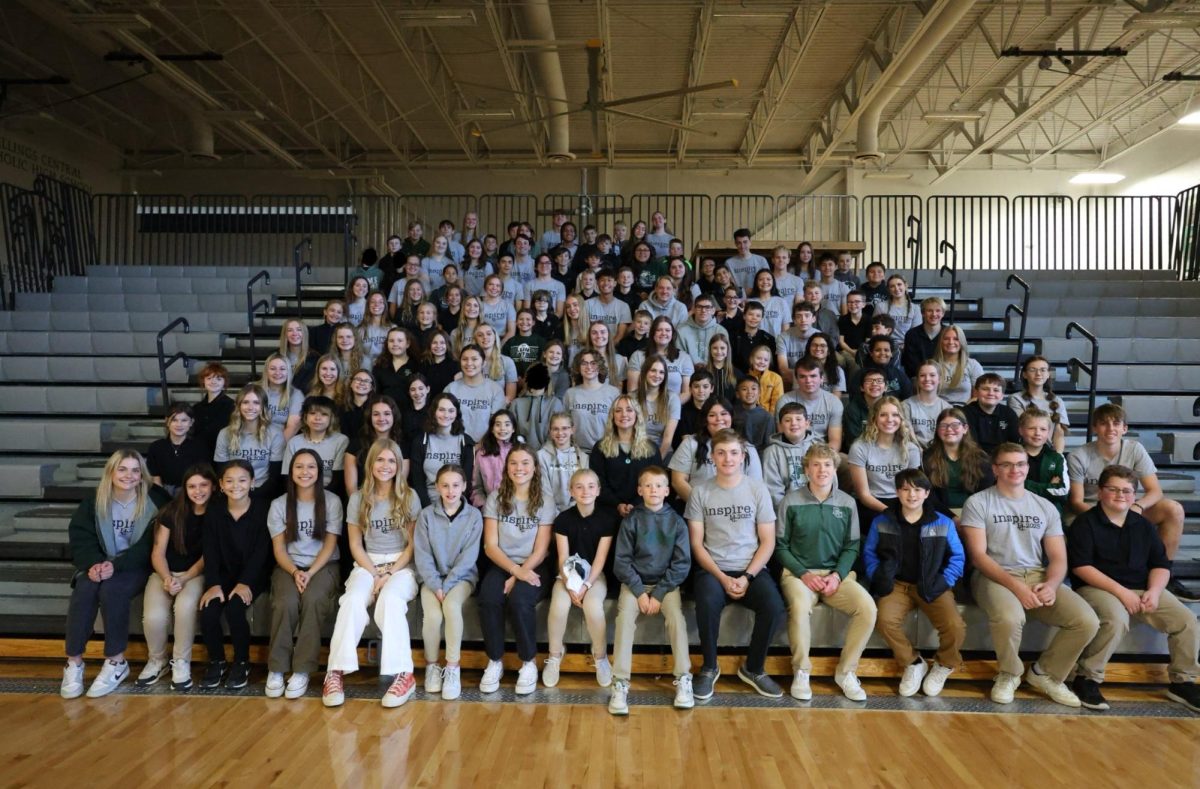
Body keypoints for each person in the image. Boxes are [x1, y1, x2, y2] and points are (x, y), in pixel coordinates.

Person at [962, 443, 1100, 707]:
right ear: (995, 469)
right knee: (1009, 618)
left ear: (1027, 468)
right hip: (995, 576)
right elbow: (979, 557)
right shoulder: (978, 502)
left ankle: (1045, 674)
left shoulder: (1044, 506)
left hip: (1038, 575)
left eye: (1021, 464)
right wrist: (1017, 588)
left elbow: (1059, 557)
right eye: (1007, 464)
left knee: (1086, 620)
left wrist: (1051, 584)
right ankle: (1009, 674)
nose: (1015, 469)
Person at [1068, 464, 1200, 712]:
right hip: (1097, 588)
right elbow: (1081, 567)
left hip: (1141, 588)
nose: (1120, 496)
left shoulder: (1142, 525)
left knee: (1186, 620)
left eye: (1127, 491)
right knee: (1116, 619)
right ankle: (1087, 678)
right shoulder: (1084, 524)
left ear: (1135, 496)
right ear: (1100, 491)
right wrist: (1122, 593)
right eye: (1113, 489)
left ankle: (1183, 682)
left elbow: (1160, 564)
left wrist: (1154, 591)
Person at [60, 451, 170, 700]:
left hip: (136, 565)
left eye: (134, 470)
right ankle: (73, 662)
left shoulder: (156, 500)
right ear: (111, 472)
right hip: (100, 563)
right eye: (122, 469)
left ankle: (116, 662)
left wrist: (117, 566)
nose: (128, 476)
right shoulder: (93, 502)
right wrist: (94, 564)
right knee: (85, 588)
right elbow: (81, 538)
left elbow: (150, 545)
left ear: (142, 475)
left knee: (113, 590)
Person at [324, 439, 423, 709]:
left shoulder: (410, 496)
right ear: (371, 464)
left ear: (399, 465)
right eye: (380, 460)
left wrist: (389, 573)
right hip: (368, 563)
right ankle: (335, 672)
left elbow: (414, 546)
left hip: (402, 565)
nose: (386, 466)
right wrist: (375, 572)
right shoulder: (358, 498)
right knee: (353, 600)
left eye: (392, 461)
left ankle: (404, 674)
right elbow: (355, 545)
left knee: (390, 601)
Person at [686, 429, 785, 699]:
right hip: (713, 568)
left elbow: (767, 541)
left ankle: (753, 668)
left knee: (775, 607)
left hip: (751, 568)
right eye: (721, 453)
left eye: (733, 453)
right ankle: (709, 668)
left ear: (743, 457)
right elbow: (696, 544)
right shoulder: (700, 492)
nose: (727, 458)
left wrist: (747, 577)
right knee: (706, 604)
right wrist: (721, 577)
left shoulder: (757, 489)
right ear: (712, 457)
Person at [776, 443, 875, 701]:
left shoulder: (847, 503)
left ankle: (846, 672)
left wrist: (837, 575)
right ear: (806, 470)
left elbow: (852, 546)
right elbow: (780, 546)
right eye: (816, 465)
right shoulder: (791, 501)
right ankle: (802, 671)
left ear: (834, 469)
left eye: (827, 465)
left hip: (835, 576)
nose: (822, 470)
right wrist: (803, 573)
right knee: (798, 607)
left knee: (868, 608)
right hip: (799, 575)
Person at [1067, 403, 1193, 601]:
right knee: (1075, 524)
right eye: (1103, 424)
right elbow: (1076, 501)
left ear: (1124, 428)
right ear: (1094, 428)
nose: (1110, 429)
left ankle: (1164, 573)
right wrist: (1105, 517)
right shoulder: (1079, 456)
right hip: (1092, 510)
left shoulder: (1135, 449)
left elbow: (1155, 491)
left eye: (1116, 424)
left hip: (1128, 506)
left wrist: (1136, 507)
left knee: (1173, 509)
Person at [863, 468, 965, 697]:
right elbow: (869, 554)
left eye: (918, 489)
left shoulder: (943, 522)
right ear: (897, 492)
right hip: (897, 585)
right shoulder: (882, 520)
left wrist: (944, 581)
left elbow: (958, 558)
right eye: (906, 489)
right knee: (884, 620)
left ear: (927, 493)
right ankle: (913, 663)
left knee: (955, 626)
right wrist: (878, 575)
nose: (912, 495)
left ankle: (944, 664)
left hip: (932, 584)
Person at [609, 465, 693, 714]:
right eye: (648, 485)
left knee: (676, 618)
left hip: (665, 585)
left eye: (658, 485)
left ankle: (683, 679)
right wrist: (640, 592)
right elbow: (621, 562)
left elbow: (681, 564)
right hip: (635, 584)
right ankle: (620, 683)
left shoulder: (676, 522)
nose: (653, 490)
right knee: (624, 620)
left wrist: (657, 594)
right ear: (639, 490)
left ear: (667, 490)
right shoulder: (632, 520)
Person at [478, 447, 558, 694]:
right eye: (514, 463)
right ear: (506, 468)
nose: (519, 468)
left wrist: (521, 573)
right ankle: (495, 661)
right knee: (489, 598)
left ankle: (528, 662)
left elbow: (542, 549)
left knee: (520, 600)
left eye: (525, 463)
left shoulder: (545, 499)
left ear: (535, 467)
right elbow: (490, 546)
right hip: (504, 563)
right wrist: (514, 571)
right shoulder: (495, 498)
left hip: (535, 565)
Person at [265, 450, 343, 700]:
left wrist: (310, 573)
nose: (305, 472)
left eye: (311, 467)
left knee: (313, 600)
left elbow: (330, 545)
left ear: (320, 472)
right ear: (291, 471)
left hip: (323, 566)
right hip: (289, 566)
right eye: (299, 467)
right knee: (285, 602)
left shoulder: (331, 501)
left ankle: (302, 670)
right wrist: (296, 571)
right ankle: (277, 668)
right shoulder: (279, 504)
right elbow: (278, 548)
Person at [137, 464, 216, 691]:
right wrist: (167, 578)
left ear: (213, 486)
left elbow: (207, 556)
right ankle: (157, 661)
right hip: (165, 572)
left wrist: (184, 579)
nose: (198, 491)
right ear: (185, 488)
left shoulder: (217, 514)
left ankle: (181, 662)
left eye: (203, 485)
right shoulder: (172, 512)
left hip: (195, 574)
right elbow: (157, 552)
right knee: (154, 617)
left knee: (185, 608)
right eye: (192, 486)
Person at [197, 461, 272, 690]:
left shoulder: (263, 509)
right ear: (220, 485)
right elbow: (209, 551)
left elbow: (262, 552)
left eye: (242, 480)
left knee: (235, 608)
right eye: (229, 480)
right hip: (223, 574)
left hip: (253, 575)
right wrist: (213, 584)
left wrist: (245, 583)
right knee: (209, 609)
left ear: (252, 482)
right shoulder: (214, 511)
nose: (235, 485)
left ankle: (242, 662)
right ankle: (217, 661)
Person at [412, 464, 483, 701]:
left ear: (464, 486)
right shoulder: (426, 516)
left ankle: (452, 668)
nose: (451, 491)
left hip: (462, 578)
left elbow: (469, 557)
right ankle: (432, 667)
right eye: (445, 485)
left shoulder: (473, 516)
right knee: (432, 615)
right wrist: (435, 584)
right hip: (432, 579)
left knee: (451, 607)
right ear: (437, 487)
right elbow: (422, 555)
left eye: (455, 485)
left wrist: (449, 584)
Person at [543, 470, 617, 689]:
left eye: (591, 486)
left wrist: (585, 586)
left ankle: (600, 656)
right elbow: (563, 558)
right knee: (558, 605)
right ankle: (555, 654)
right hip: (567, 574)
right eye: (579, 487)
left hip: (594, 575)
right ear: (571, 491)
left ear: (598, 490)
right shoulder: (563, 519)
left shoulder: (606, 519)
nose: (585, 491)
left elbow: (600, 559)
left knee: (593, 607)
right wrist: (570, 585)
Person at [848, 396, 923, 533]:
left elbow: (912, 487)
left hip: (903, 501)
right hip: (871, 504)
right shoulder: (859, 448)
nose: (890, 419)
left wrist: (904, 511)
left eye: (895, 415)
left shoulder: (911, 449)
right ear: (874, 418)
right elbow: (863, 495)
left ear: (901, 419)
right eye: (883, 415)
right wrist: (890, 513)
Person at [591, 395, 664, 517]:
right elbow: (597, 482)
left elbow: (657, 481)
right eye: (618, 410)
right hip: (607, 511)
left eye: (629, 410)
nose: (624, 414)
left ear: (637, 415)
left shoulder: (651, 448)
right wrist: (617, 504)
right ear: (612, 416)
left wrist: (636, 504)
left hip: (644, 510)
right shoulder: (600, 447)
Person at [213, 384, 285, 499]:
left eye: (256, 403)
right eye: (245, 402)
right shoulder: (225, 434)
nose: (250, 407)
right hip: (233, 491)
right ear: (238, 406)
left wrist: (254, 497)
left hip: (263, 493)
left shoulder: (275, 434)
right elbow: (221, 473)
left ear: (263, 407)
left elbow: (275, 478)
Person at [923, 407, 994, 519]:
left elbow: (986, 492)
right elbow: (929, 496)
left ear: (965, 428)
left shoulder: (981, 457)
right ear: (937, 430)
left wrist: (971, 517)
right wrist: (952, 518)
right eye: (943, 426)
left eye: (955, 425)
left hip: (975, 513)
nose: (949, 429)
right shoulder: (927, 457)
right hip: (940, 514)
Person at [410, 392, 476, 507]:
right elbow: (418, 482)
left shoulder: (465, 441)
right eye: (441, 410)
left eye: (451, 411)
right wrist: (427, 508)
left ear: (456, 414)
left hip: (456, 502)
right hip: (427, 502)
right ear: (434, 412)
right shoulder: (421, 441)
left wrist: (455, 507)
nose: (446, 415)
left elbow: (466, 481)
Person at [776, 358, 844, 451]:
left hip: (823, 453)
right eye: (803, 376)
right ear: (796, 379)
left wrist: (818, 458)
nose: (808, 381)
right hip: (793, 451)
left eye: (813, 376)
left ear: (821, 379)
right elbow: (784, 437)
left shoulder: (834, 402)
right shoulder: (784, 401)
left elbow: (835, 442)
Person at [444, 345, 509, 442]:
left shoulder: (495, 390)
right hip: (455, 445)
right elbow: (444, 422)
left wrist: (479, 447)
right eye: (465, 359)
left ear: (483, 363)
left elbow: (497, 424)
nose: (469, 363)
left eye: (474, 359)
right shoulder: (451, 389)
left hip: (487, 447)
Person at [763, 402, 822, 509]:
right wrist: (790, 513)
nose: (793, 423)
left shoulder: (819, 447)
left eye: (798, 419)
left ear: (807, 423)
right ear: (780, 426)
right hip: (788, 510)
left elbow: (829, 482)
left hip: (818, 507)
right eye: (787, 420)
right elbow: (773, 491)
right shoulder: (772, 452)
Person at [563, 349, 621, 453]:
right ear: (578, 368)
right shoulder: (570, 394)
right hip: (577, 452)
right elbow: (565, 426)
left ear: (599, 366)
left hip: (606, 450)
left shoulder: (613, 393)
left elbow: (618, 425)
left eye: (593, 363)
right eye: (584, 363)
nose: (589, 367)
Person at [1009, 355, 1068, 453]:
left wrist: (1058, 457)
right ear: (1024, 374)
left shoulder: (1057, 401)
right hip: (1026, 452)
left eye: (1043, 370)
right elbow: (1024, 429)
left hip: (1050, 453)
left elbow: (1059, 433)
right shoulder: (1015, 399)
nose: (1038, 374)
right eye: (1033, 370)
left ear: (1048, 374)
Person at [145, 404, 209, 494]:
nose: (179, 424)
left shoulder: (200, 447)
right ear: (167, 422)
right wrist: (163, 497)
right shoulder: (156, 447)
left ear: (191, 422)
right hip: (163, 492)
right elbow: (155, 478)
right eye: (174, 420)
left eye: (184, 420)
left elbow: (202, 476)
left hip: (191, 492)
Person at [537, 412, 588, 514]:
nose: (560, 433)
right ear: (550, 431)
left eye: (565, 428)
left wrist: (571, 513)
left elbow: (583, 490)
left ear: (572, 430)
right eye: (555, 429)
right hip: (548, 511)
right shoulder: (541, 456)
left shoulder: (583, 457)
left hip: (576, 512)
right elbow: (544, 491)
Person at [1020, 408, 1069, 515]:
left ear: (1048, 432)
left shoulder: (1057, 458)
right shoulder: (1011, 455)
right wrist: (1048, 487)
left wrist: (1024, 484)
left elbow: (1063, 492)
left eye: (1043, 429)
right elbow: (1006, 488)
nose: (1037, 433)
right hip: (1017, 512)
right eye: (1032, 428)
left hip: (1050, 514)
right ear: (1021, 430)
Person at [471, 410, 521, 508]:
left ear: (513, 428)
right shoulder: (482, 454)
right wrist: (484, 506)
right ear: (492, 429)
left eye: (507, 424)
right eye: (498, 424)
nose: (502, 428)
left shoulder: (521, 452)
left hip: (517, 509)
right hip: (490, 509)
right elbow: (476, 487)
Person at [634, 354, 681, 457]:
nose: (657, 375)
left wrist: (656, 463)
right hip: (635, 452)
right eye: (653, 370)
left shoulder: (673, 399)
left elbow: (667, 439)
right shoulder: (632, 398)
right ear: (645, 372)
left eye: (661, 372)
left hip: (662, 453)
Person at [963, 374, 1020, 454]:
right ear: (976, 392)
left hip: (1002, 458)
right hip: (974, 458)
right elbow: (970, 445)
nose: (990, 393)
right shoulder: (965, 413)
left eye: (996, 390)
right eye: (985, 389)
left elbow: (1015, 441)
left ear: (1002, 395)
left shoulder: (1008, 413)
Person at [902, 362, 952, 449]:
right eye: (922, 375)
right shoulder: (906, 405)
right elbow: (907, 435)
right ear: (917, 380)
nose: (927, 379)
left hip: (939, 453)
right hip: (914, 452)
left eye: (932, 375)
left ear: (939, 379)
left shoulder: (947, 408)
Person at [192, 362, 235, 456]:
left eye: (218, 379)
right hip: (200, 454)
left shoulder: (232, 406)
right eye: (209, 378)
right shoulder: (196, 408)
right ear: (203, 381)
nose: (213, 382)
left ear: (224, 383)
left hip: (223, 454)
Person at [932, 326, 982, 406]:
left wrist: (962, 411)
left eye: (956, 339)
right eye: (946, 339)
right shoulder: (932, 365)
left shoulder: (973, 365)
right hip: (939, 411)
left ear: (962, 342)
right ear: (941, 342)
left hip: (966, 411)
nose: (951, 342)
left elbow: (977, 396)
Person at [850, 336, 912, 400]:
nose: (882, 353)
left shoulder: (899, 374)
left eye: (886, 350)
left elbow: (907, 398)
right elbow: (855, 399)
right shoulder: (860, 375)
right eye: (877, 350)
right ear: (871, 353)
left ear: (891, 353)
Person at [259, 352, 303, 441]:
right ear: (266, 371)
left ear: (288, 372)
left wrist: (276, 447)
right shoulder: (253, 389)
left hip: (280, 442)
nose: (277, 373)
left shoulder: (296, 394)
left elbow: (293, 427)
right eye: (272, 369)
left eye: (282, 369)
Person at [900, 297, 946, 377]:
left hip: (944, 377)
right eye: (929, 311)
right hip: (919, 378)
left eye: (938, 311)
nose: (934, 314)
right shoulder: (911, 334)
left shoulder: (949, 334)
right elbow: (910, 365)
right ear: (923, 313)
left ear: (943, 313)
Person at [372, 327, 418, 407]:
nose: (395, 344)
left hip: (409, 412)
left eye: (400, 341)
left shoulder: (417, 365)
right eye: (391, 341)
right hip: (385, 413)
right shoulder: (379, 366)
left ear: (407, 344)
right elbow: (375, 393)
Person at [677, 294, 727, 367]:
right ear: (693, 309)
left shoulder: (721, 331)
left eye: (707, 307)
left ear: (713, 310)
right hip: (688, 372)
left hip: (714, 371)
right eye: (699, 307)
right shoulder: (681, 330)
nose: (703, 310)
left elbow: (724, 358)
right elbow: (680, 358)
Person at [842, 368, 887, 447]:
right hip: (861, 453)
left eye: (879, 381)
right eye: (869, 381)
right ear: (861, 387)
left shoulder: (892, 407)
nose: (874, 384)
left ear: (886, 387)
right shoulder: (852, 409)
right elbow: (853, 440)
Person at [587, 268, 632, 340]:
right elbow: (585, 331)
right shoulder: (587, 304)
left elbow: (620, 335)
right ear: (597, 283)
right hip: (592, 348)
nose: (606, 283)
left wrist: (608, 349)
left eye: (609, 280)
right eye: (602, 280)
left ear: (615, 283)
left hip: (614, 349)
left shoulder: (623, 306)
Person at [732, 376, 773, 452]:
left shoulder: (767, 417)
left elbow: (768, 445)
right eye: (744, 389)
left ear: (759, 393)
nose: (749, 392)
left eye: (753, 389)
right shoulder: (732, 414)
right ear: (737, 394)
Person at [279, 319, 320, 394]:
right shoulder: (276, 356)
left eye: (299, 330)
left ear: (304, 333)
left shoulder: (315, 358)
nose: (295, 333)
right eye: (290, 330)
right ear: (285, 334)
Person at [676, 370, 713, 449]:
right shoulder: (683, 412)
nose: (701, 390)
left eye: (705, 387)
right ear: (690, 389)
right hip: (690, 451)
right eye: (696, 386)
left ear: (712, 388)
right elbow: (685, 440)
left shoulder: (716, 410)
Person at [419, 329, 458, 398]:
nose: (438, 346)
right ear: (429, 345)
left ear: (447, 345)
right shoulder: (424, 365)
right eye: (434, 343)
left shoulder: (455, 366)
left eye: (442, 342)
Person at [745, 346, 783, 417]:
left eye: (766, 360)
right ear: (751, 359)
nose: (762, 362)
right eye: (758, 358)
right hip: (749, 417)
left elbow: (777, 403)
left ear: (769, 363)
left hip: (768, 418)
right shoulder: (745, 378)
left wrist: (769, 419)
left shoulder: (776, 378)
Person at [804, 332, 845, 398]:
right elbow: (799, 395)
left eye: (822, 345)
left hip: (829, 406)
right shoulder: (801, 369)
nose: (818, 348)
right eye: (814, 345)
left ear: (829, 351)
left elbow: (836, 399)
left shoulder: (838, 371)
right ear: (809, 349)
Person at [882, 275, 920, 344]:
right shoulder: (881, 306)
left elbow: (916, 333)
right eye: (892, 286)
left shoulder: (915, 308)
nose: (896, 288)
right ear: (889, 290)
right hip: (886, 346)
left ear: (905, 286)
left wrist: (906, 346)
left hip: (908, 346)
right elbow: (877, 330)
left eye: (899, 284)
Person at [704, 333, 741, 404]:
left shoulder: (737, 374)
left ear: (728, 350)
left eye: (722, 348)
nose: (719, 352)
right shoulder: (703, 373)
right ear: (710, 350)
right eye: (715, 348)